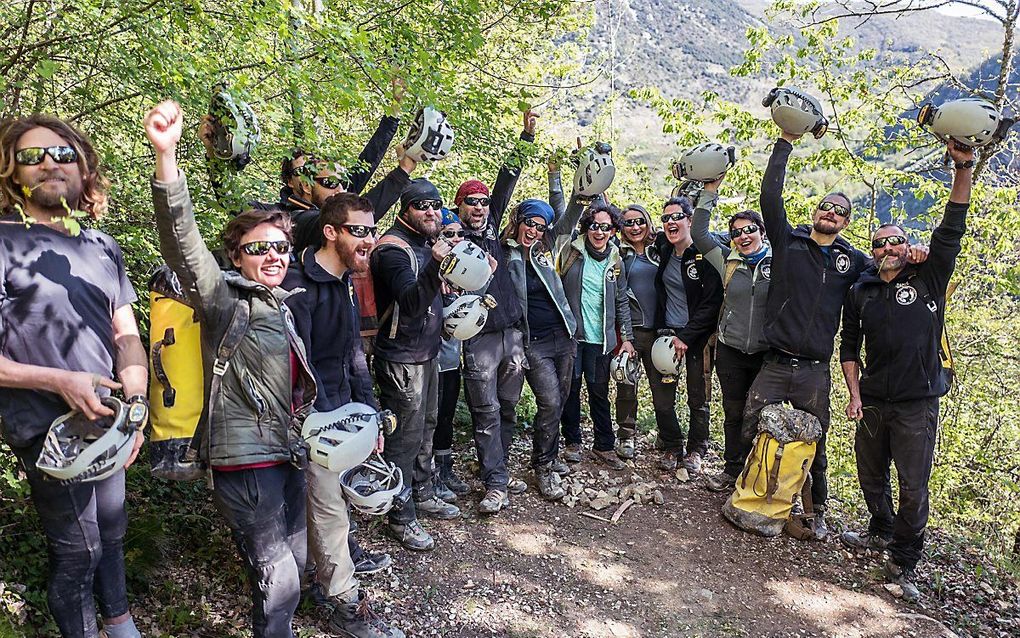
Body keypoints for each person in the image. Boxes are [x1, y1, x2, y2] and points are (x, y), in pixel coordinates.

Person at [146, 101, 317, 638]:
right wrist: (167, 157)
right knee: (279, 575)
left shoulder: (281, 305)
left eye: (282, 247)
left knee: (295, 563)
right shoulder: (226, 302)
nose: (273, 256)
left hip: (286, 454)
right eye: (259, 248)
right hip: (244, 463)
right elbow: (183, 246)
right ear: (237, 255)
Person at [0, 115, 147, 638]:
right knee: (77, 549)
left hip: (108, 421)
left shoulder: (102, 246)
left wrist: (136, 404)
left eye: (63, 155)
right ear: (11, 171)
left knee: (112, 528)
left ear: (83, 168)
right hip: (46, 430)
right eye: (32, 155)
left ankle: (121, 621)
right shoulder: (2, 243)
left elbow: (125, 332)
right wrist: (60, 381)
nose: (49, 164)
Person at [743, 129, 927, 539]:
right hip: (775, 360)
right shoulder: (786, 240)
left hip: (813, 369)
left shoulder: (854, 261)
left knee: (817, 441)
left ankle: (815, 508)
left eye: (840, 211)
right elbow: (769, 198)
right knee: (751, 423)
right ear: (816, 212)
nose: (831, 213)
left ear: (846, 223)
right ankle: (749, 490)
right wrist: (785, 142)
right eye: (826, 206)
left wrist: (917, 260)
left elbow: (888, 269)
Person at [838, 140, 974, 603]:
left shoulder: (929, 276)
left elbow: (952, 225)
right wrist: (854, 394)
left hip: (918, 402)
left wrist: (963, 165)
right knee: (870, 474)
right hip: (873, 399)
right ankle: (879, 530)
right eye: (879, 243)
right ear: (872, 252)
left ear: (907, 243)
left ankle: (905, 558)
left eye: (896, 240)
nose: (888, 247)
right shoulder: (862, 290)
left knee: (913, 485)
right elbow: (850, 348)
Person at [282, 191, 403, 637]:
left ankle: (322, 577)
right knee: (329, 509)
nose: (368, 239)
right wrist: (313, 425)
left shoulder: (347, 281)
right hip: (311, 423)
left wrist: (370, 416)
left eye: (371, 230)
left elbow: (354, 355)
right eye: (358, 231)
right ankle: (343, 601)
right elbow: (295, 369)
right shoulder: (298, 286)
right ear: (331, 232)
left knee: (332, 509)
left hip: (341, 414)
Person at [200, 77, 415, 251]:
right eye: (301, 171)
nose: (339, 187)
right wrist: (212, 151)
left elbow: (367, 161)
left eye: (337, 181)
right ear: (294, 183)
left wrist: (394, 112)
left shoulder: (333, 191)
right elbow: (232, 201)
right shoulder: (280, 217)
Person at [371, 179, 459, 551]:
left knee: (426, 427)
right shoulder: (393, 249)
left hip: (427, 352)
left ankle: (421, 492)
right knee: (404, 439)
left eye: (436, 205)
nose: (431, 212)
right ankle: (399, 515)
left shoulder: (425, 245)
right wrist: (436, 265)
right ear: (404, 209)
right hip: (401, 358)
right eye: (422, 205)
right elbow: (409, 302)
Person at [456, 110, 537, 514]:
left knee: (506, 407)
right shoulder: (452, 240)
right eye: (471, 202)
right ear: (459, 206)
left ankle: (497, 470)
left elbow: (507, 182)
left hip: (511, 334)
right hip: (479, 338)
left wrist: (525, 138)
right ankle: (495, 482)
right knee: (485, 410)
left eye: (484, 202)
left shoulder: (491, 230)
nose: (480, 207)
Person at [499, 159, 582, 499]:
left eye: (540, 226)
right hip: (533, 343)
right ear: (518, 221)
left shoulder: (549, 250)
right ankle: (543, 468)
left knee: (560, 400)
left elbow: (571, 214)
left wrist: (560, 177)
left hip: (564, 336)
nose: (533, 230)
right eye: (529, 223)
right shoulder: (505, 254)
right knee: (548, 401)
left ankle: (547, 454)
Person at [689, 176, 772, 492]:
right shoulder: (727, 259)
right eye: (736, 232)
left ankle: (759, 475)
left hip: (767, 353)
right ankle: (732, 470)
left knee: (763, 416)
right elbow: (698, 233)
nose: (743, 235)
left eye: (750, 229)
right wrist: (710, 192)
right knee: (734, 412)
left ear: (761, 232)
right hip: (731, 350)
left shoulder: (779, 262)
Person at [559, 202, 636, 470]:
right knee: (571, 390)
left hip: (601, 339)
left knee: (599, 392)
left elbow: (622, 300)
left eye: (606, 227)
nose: (599, 232)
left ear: (614, 230)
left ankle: (604, 445)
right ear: (586, 227)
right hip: (572, 336)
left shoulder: (616, 260)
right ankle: (572, 442)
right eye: (594, 226)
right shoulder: (571, 251)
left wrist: (626, 338)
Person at [652, 195, 723, 473]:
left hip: (697, 338)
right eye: (666, 218)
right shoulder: (665, 249)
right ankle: (671, 444)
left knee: (698, 395)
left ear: (690, 221)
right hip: (667, 334)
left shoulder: (705, 255)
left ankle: (696, 449)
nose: (671, 222)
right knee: (663, 395)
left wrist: (688, 336)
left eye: (677, 217)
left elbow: (711, 303)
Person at [614, 202, 663, 460]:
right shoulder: (618, 254)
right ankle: (626, 435)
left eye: (639, 221)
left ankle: (666, 436)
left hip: (661, 332)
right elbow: (619, 296)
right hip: (631, 331)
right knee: (627, 386)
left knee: (663, 388)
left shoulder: (661, 249)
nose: (635, 227)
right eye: (628, 223)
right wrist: (625, 336)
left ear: (648, 222)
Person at [433, 208, 472, 500]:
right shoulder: (431, 269)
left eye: (461, 234)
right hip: (429, 358)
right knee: (430, 419)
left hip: (451, 358)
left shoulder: (465, 269)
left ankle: (445, 470)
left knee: (446, 416)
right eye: (450, 234)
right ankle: (428, 476)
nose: (457, 238)